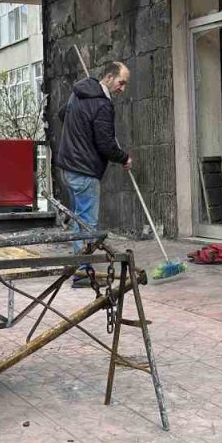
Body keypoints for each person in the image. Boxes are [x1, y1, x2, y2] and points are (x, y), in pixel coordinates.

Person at [54, 60, 132, 288]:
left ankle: (80, 263)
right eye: (121, 82)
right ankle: (82, 271)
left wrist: (81, 128)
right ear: (108, 78)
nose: (122, 88)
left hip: (68, 168)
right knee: (87, 221)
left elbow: (62, 114)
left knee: (79, 218)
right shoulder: (101, 104)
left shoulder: (77, 94)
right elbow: (105, 144)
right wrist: (124, 158)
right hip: (85, 170)